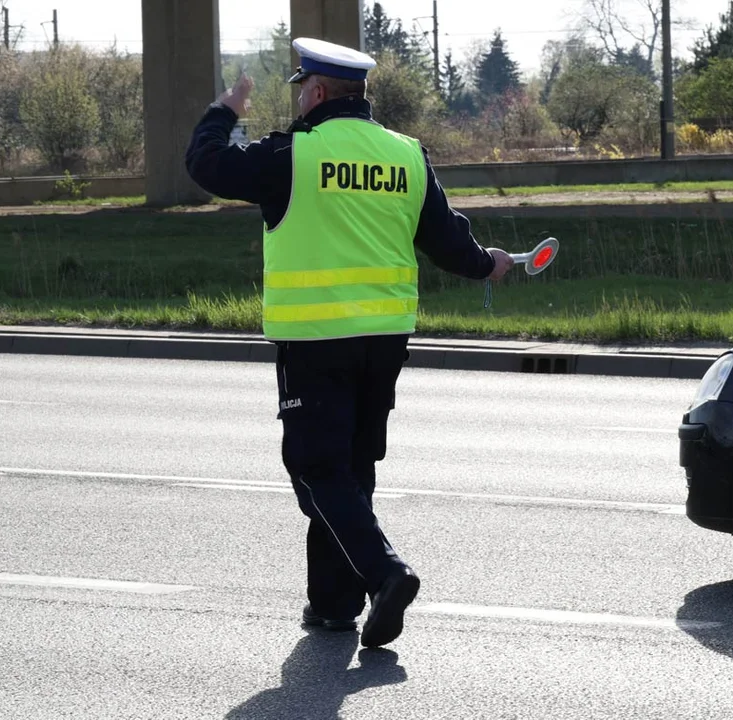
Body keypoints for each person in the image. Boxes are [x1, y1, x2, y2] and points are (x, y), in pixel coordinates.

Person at [185, 37, 514, 649]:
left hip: (315, 339)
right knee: (350, 467)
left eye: (300, 90)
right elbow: (446, 240)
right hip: (384, 341)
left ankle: (386, 574)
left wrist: (224, 110)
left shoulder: (292, 155)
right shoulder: (406, 156)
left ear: (314, 91)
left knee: (316, 467)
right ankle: (333, 605)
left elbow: (204, 165)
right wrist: (486, 265)